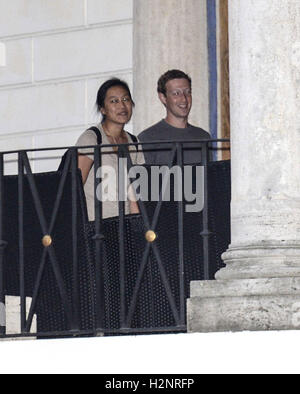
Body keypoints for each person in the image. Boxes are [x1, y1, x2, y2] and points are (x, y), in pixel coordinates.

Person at [76, 78, 144, 221]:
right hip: (95, 227)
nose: (122, 105)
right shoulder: (92, 138)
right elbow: (74, 186)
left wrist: (137, 227)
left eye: (126, 99)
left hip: (123, 227)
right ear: (103, 109)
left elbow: (134, 194)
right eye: (114, 101)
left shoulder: (134, 142)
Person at [138, 69, 211, 166]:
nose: (184, 99)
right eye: (176, 93)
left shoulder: (203, 136)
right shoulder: (147, 138)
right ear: (163, 98)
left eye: (187, 92)